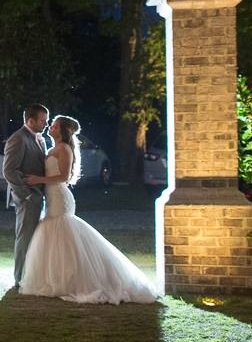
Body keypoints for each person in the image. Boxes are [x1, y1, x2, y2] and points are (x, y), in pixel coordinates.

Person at [19, 115, 158, 304]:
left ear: (62, 131)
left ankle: (75, 280)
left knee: (63, 233)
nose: (51, 127)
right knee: (52, 234)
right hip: (51, 197)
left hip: (60, 197)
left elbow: (63, 176)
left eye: (55, 125)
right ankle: (55, 278)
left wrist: (39, 180)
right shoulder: (52, 148)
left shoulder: (65, 149)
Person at [3, 103, 48, 283]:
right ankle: (19, 279)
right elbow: (9, 171)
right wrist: (26, 194)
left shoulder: (39, 139)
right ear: (31, 120)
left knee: (34, 239)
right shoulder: (18, 139)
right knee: (25, 238)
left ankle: (31, 275)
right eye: (42, 121)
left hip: (39, 196)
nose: (46, 124)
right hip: (28, 198)